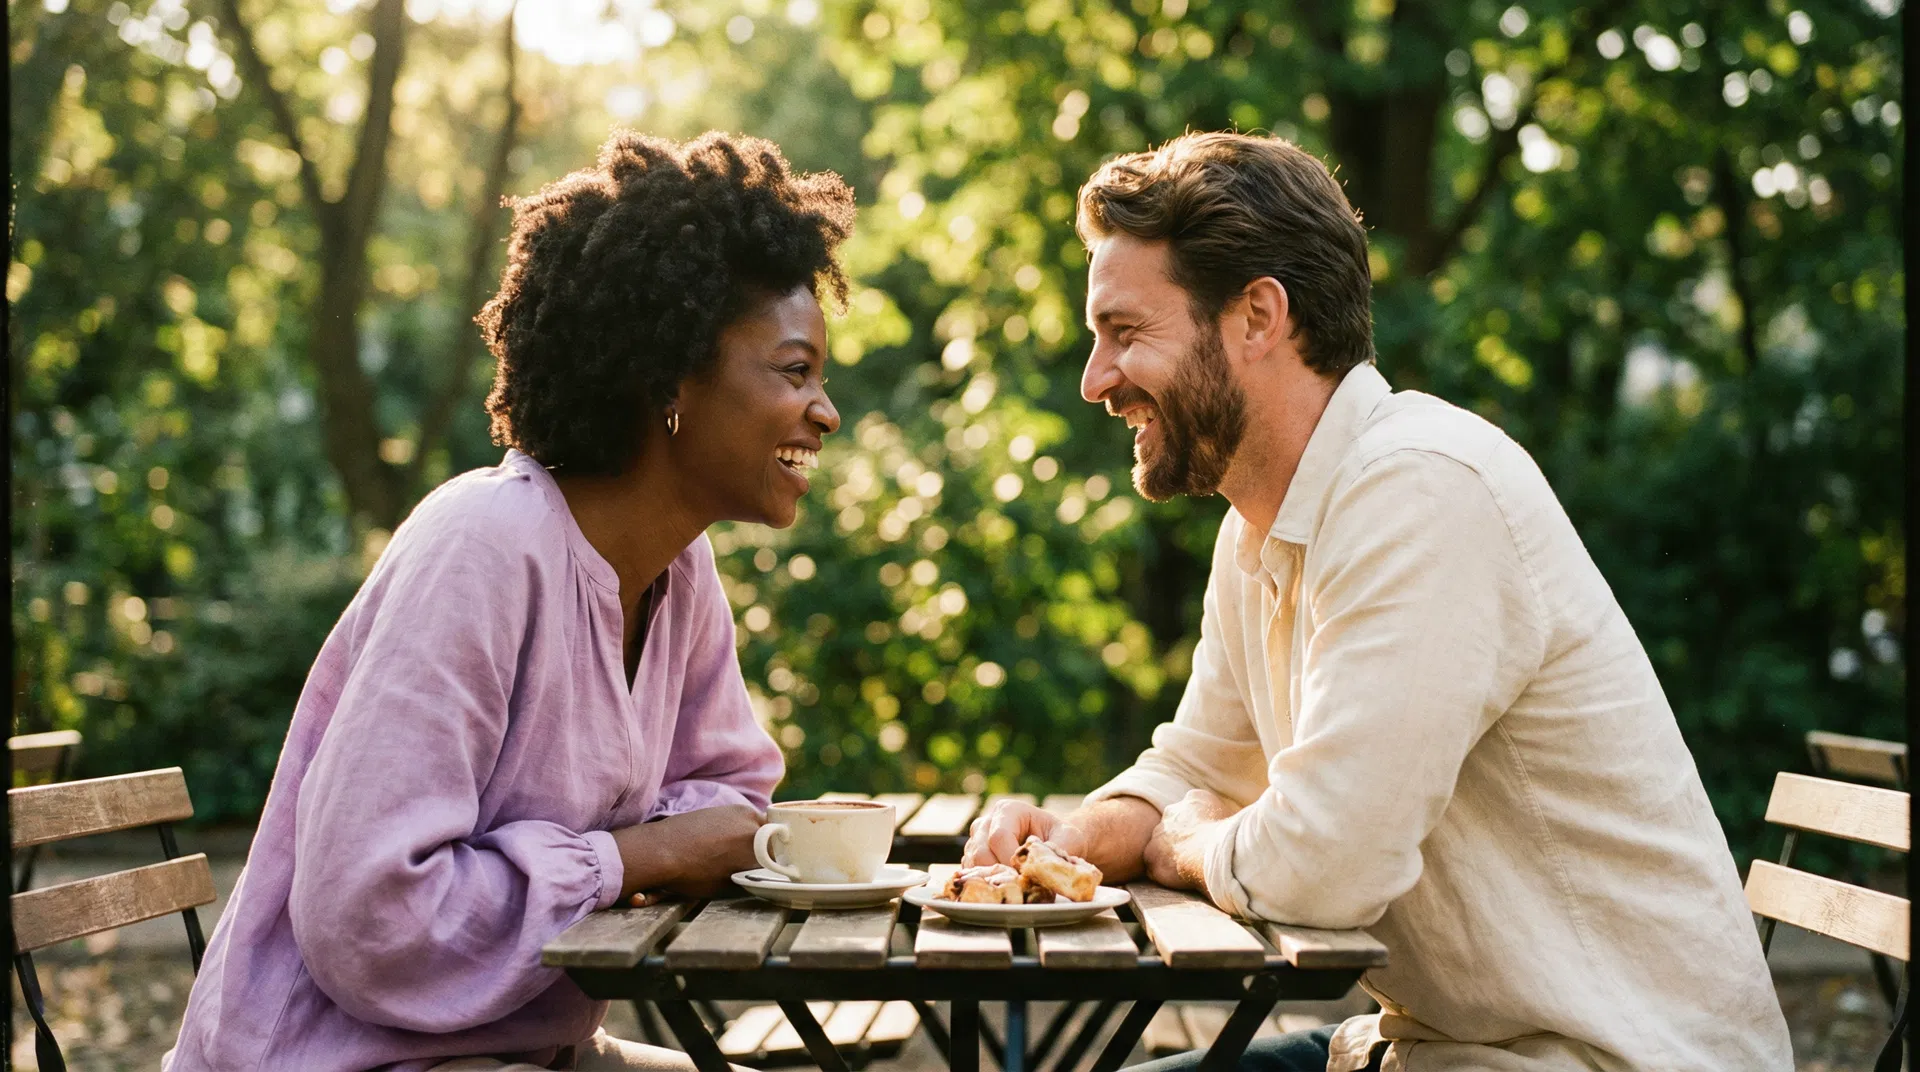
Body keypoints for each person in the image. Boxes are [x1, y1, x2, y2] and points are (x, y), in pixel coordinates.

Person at [964, 132, 1792, 1071]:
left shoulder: (1420, 492)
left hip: (1609, 1058)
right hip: (1443, 1050)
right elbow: (1198, 766)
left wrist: (1183, 847)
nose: (1095, 380)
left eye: (1125, 332)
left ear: (1258, 316)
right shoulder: (1259, 532)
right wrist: (1072, 841)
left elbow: (1324, 866)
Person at [166, 131, 855, 1071]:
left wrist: (661, 845)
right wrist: (633, 860)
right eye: (794, 370)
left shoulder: (680, 573)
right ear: (667, 380)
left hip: (528, 1053)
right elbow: (369, 912)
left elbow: (730, 801)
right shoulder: (483, 546)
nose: (826, 410)